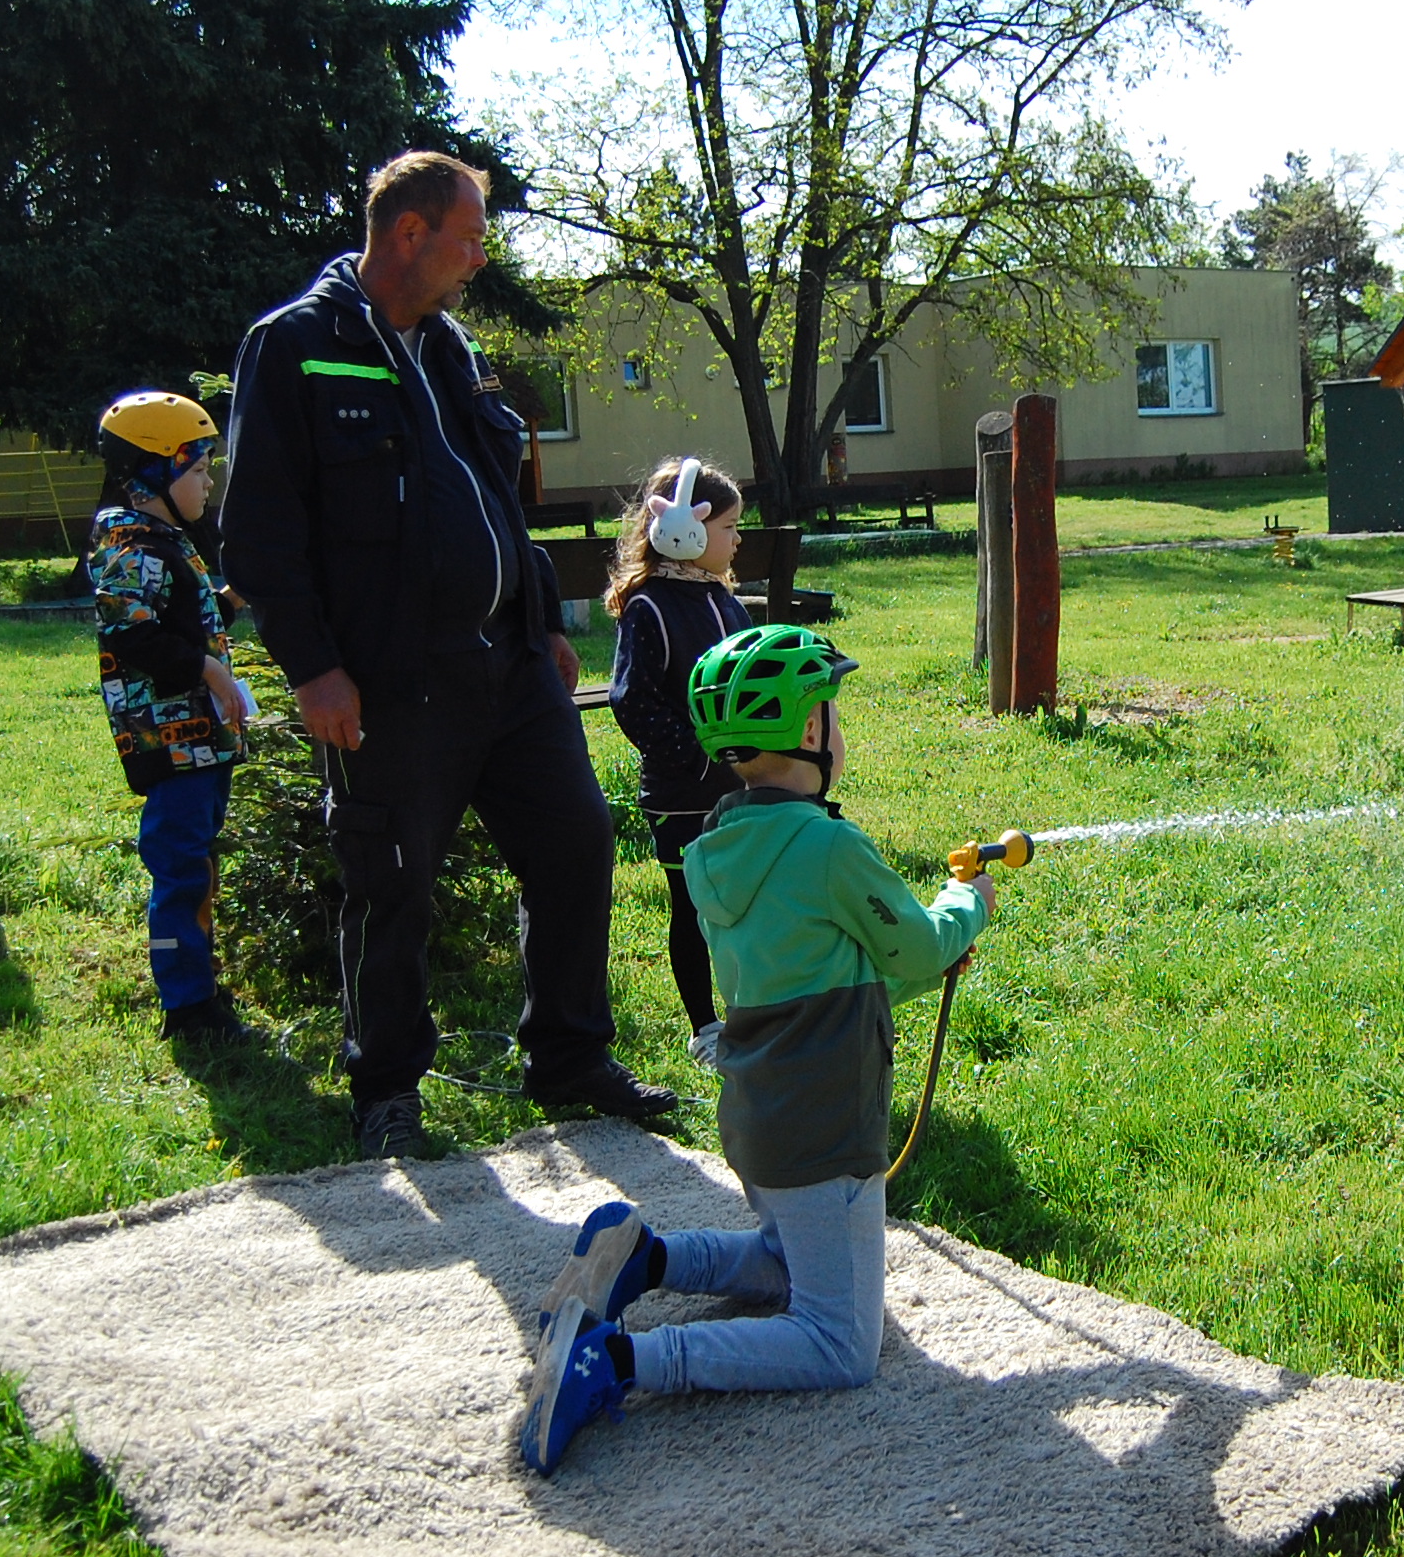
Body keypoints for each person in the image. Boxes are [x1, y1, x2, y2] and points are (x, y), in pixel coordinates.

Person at [221, 151, 675, 1159]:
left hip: (508, 668)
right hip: (389, 682)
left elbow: (496, 500)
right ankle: (386, 1089)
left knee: (575, 841)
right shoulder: (295, 346)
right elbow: (257, 534)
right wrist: (313, 669)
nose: (479, 259)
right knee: (390, 884)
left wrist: (543, 621)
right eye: (469, 239)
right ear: (409, 233)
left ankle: (568, 1058)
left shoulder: (452, 346)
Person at [520, 624, 997, 1475]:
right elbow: (919, 947)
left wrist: (920, 960)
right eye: (832, 712)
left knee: (783, 1261)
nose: (838, 729)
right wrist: (968, 904)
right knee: (838, 1340)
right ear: (809, 729)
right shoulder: (829, 847)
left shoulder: (714, 848)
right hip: (824, 1130)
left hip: (758, 1122)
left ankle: (646, 1258)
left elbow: (818, 973)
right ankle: (622, 1362)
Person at [86, 390, 257, 1045]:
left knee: (199, 862)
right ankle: (185, 1006)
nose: (209, 483)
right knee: (180, 869)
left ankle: (201, 985)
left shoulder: (163, 541)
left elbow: (186, 619)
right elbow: (132, 634)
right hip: (170, 742)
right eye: (199, 470)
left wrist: (234, 596)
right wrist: (210, 670)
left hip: (203, 741)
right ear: (156, 471)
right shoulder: (129, 546)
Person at [600, 455, 750, 1058]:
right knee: (691, 909)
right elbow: (632, 699)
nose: (737, 539)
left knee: (742, 903)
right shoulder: (650, 607)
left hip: (740, 787)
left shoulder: (724, 599)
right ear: (682, 529)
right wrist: (698, 758)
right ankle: (705, 1028)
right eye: (729, 527)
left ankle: (750, 1014)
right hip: (682, 794)